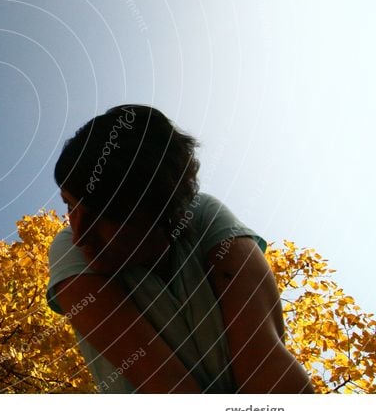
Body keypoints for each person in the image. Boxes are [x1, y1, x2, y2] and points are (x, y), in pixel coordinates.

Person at [47, 105, 313, 393]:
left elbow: (268, 367)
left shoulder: (204, 216)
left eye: (108, 216)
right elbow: (166, 387)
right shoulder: (68, 250)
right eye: (70, 205)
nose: (80, 236)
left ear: (164, 211)